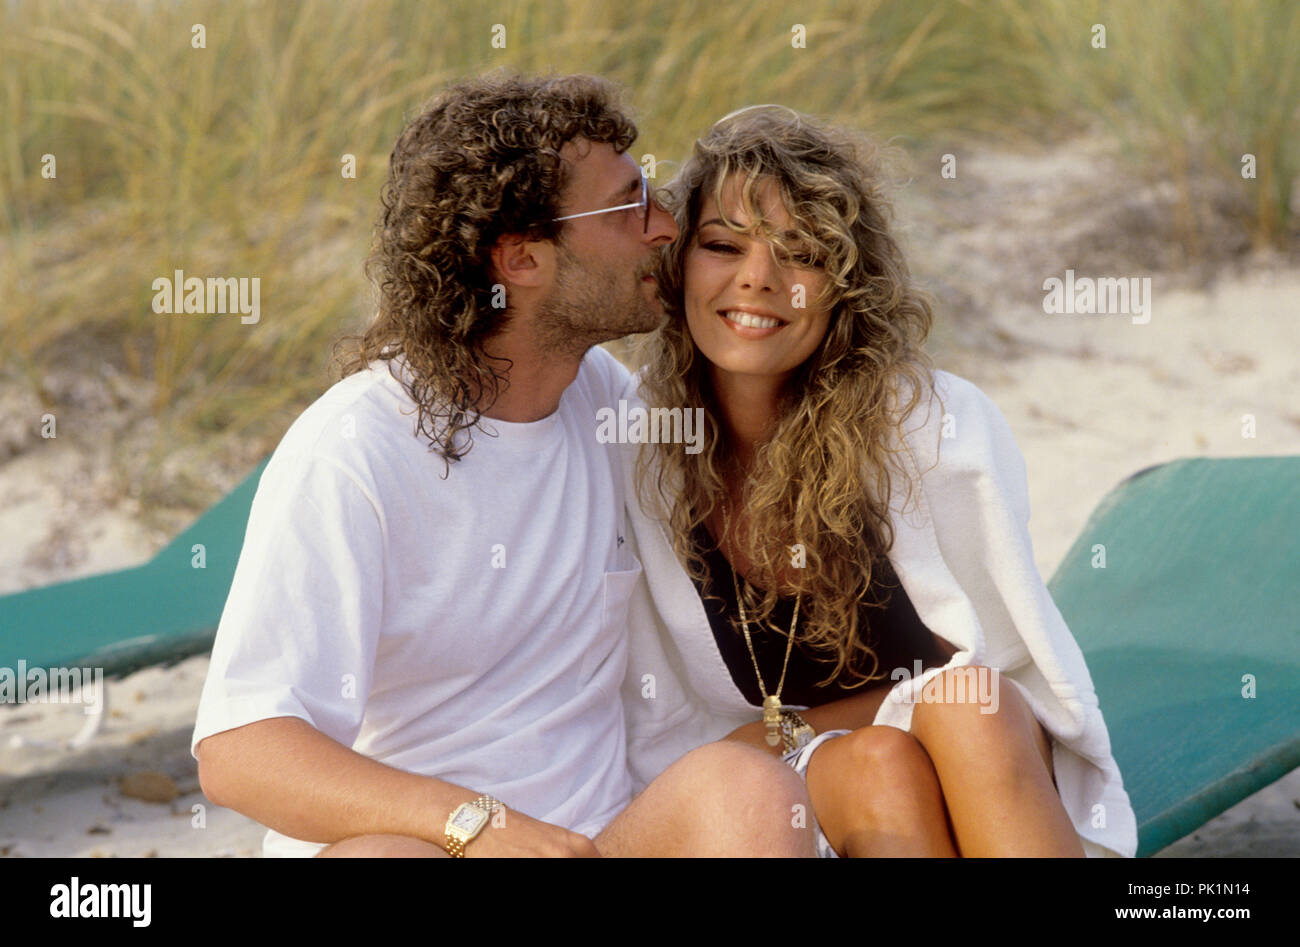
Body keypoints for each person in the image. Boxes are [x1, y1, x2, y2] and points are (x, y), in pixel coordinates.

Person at [191, 74, 816, 858]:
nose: (665, 227)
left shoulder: (603, 400)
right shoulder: (353, 452)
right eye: (627, 205)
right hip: (432, 846)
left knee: (748, 791)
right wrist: (476, 824)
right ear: (522, 259)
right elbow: (239, 748)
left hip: (603, 840)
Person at [617, 105, 1138, 858]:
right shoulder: (642, 442)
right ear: (678, 264)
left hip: (980, 762)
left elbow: (983, 664)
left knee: (965, 709)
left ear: (845, 281)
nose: (757, 279)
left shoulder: (932, 428)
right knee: (874, 764)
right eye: (723, 245)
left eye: (801, 253)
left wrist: (794, 728)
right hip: (774, 790)